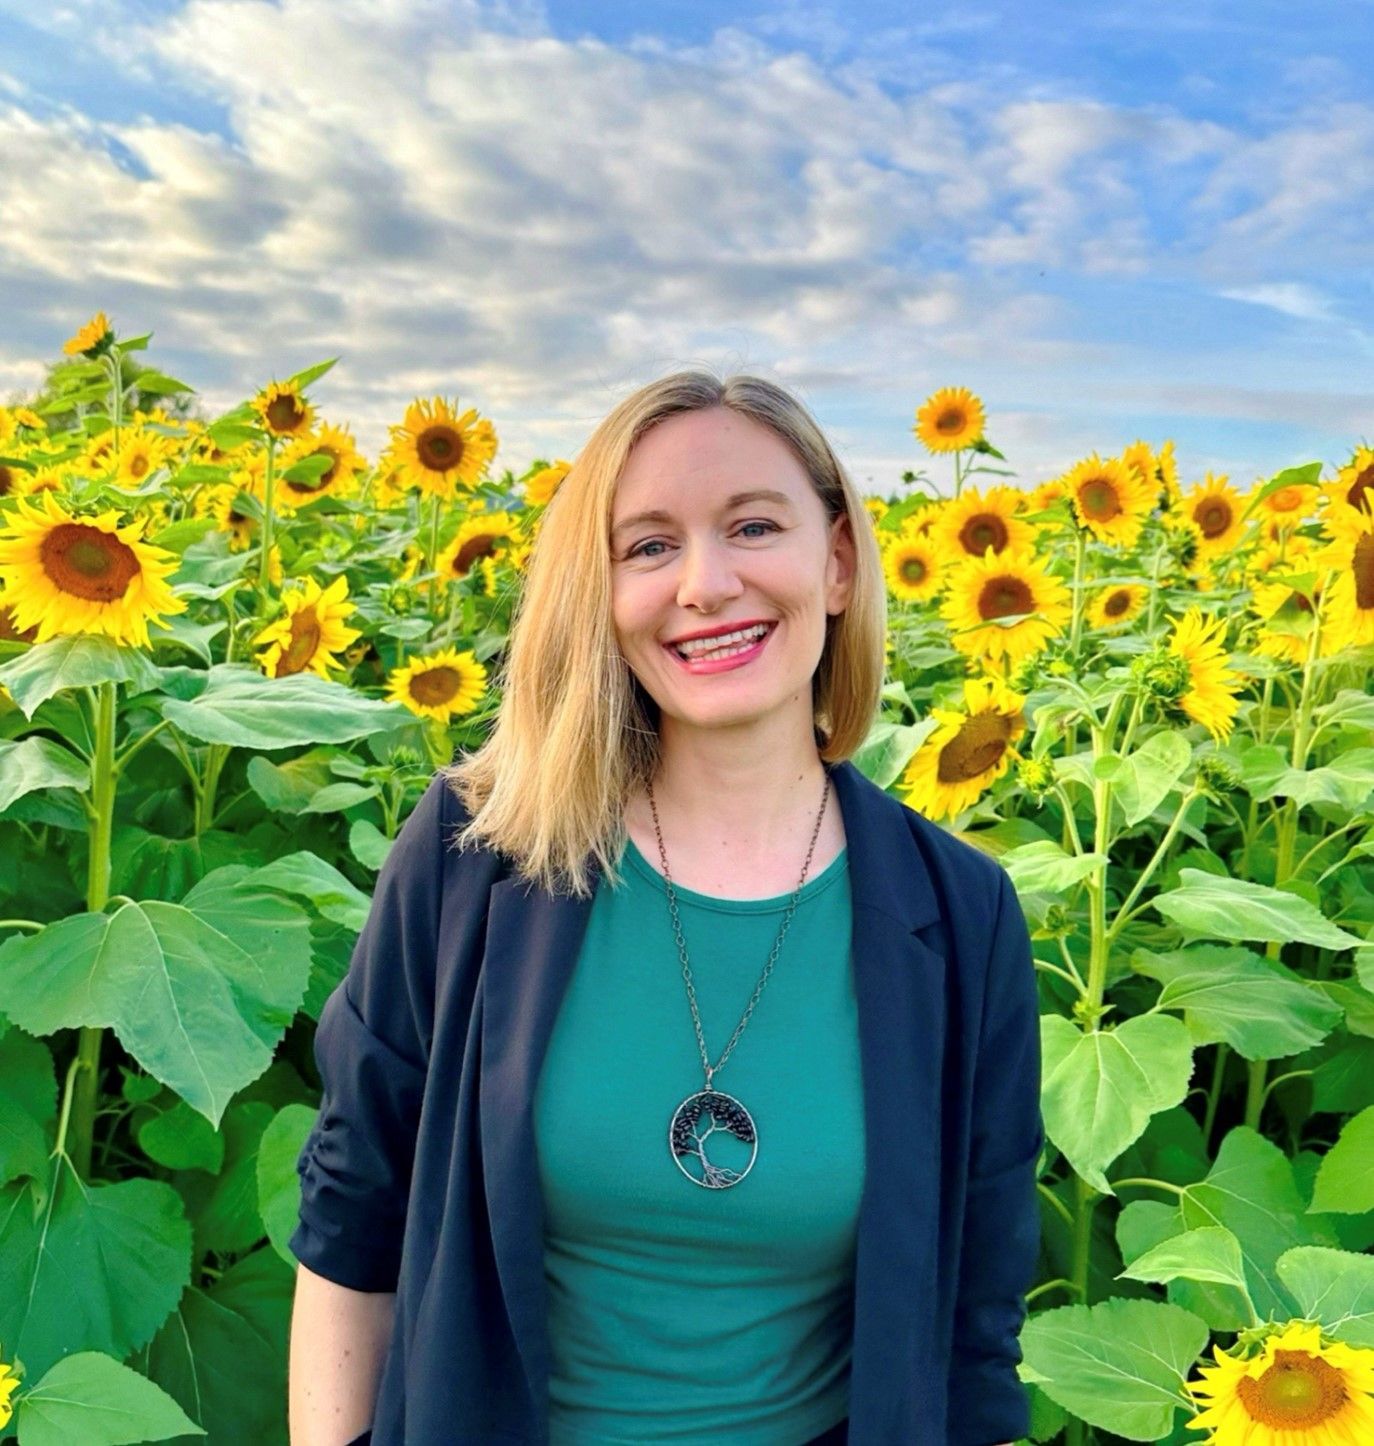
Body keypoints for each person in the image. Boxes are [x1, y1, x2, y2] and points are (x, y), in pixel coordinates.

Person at [288, 373, 1043, 1446]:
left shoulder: (961, 917)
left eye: (752, 525)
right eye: (648, 546)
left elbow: (973, 1327)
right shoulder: (476, 856)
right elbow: (353, 1217)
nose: (704, 584)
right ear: (596, 592)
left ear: (835, 562)